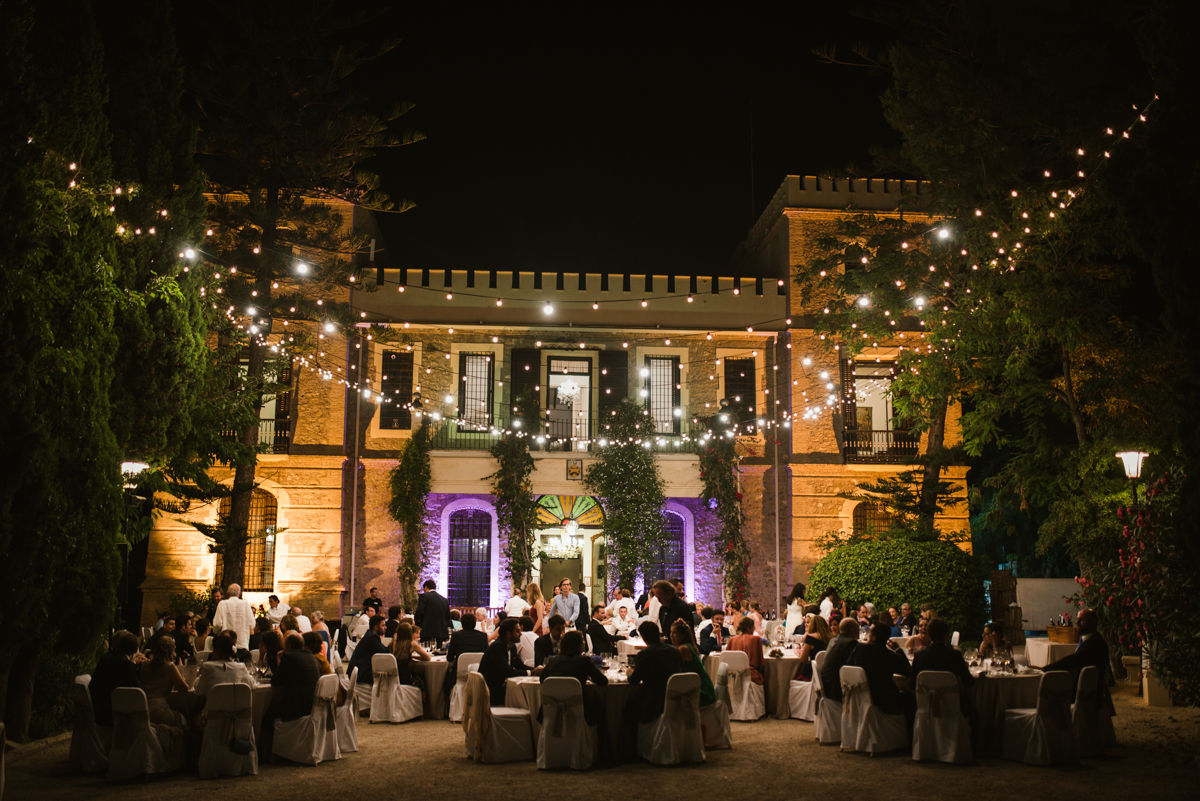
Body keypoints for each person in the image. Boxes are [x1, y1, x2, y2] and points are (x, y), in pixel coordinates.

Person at [1044, 608, 1113, 711]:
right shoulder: (1089, 640)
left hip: (1086, 694)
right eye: (1077, 619)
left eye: (1081, 620)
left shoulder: (1095, 643)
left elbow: (1073, 660)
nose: (1077, 622)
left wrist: (1046, 668)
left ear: (1093, 622)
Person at [848, 622, 913, 724]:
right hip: (885, 700)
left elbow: (849, 666)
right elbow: (908, 672)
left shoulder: (859, 649)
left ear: (874, 637)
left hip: (859, 697)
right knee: (910, 699)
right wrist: (898, 650)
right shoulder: (891, 656)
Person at [540, 630, 608, 726]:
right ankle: (600, 740)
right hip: (580, 707)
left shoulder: (552, 661)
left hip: (552, 707)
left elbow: (543, 680)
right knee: (602, 708)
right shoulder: (584, 661)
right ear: (580, 645)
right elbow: (602, 681)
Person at [911, 619, 974, 718]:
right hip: (952, 708)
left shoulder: (919, 655)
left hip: (925, 708)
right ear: (946, 635)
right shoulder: (955, 655)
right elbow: (969, 682)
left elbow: (912, 683)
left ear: (930, 634)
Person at [625, 621, 684, 724]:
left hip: (653, 702)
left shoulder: (644, 654)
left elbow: (634, 681)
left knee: (626, 708)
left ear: (643, 637)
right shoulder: (675, 651)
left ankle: (638, 739)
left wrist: (629, 674)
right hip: (676, 700)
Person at [480, 618, 541, 705]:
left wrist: (536, 670)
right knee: (525, 700)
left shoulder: (511, 647)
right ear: (508, 634)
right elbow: (507, 671)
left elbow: (519, 665)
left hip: (503, 686)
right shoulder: (497, 647)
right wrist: (531, 672)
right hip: (492, 690)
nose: (521, 634)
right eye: (517, 631)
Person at [90, 631, 144, 727]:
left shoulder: (107, 657)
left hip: (98, 707)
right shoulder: (125, 664)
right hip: (111, 713)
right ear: (136, 650)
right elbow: (135, 688)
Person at [268, 631, 321, 725]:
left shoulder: (289, 657)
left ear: (289, 646)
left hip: (297, 708)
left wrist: (279, 658)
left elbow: (275, 681)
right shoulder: (311, 656)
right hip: (312, 706)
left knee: (267, 713)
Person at [139, 635, 190, 725]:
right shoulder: (169, 666)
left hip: (142, 709)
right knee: (184, 719)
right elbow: (184, 689)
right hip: (158, 710)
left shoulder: (144, 665)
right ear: (172, 651)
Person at [194, 633, 255, 699]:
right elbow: (253, 685)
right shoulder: (240, 667)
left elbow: (198, 690)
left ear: (214, 651)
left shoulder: (208, 667)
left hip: (214, 708)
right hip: (237, 708)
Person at [670, 620, 716, 707]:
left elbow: (674, 669)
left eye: (675, 633)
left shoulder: (683, 649)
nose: (671, 636)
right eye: (671, 633)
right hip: (702, 687)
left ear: (683, 635)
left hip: (701, 691)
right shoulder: (689, 645)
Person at [819, 618, 861, 704]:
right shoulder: (851, 643)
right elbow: (856, 665)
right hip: (835, 688)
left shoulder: (834, 640)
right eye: (858, 629)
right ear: (853, 631)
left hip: (826, 683)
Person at [347, 614, 390, 694]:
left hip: (360, 670)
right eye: (383, 625)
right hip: (361, 673)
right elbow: (384, 653)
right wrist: (393, 643)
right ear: (376, 627)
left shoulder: (371, 635)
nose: (385, 628)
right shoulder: (372, 638)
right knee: (386, 678)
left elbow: (383, 650)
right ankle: (381, 702)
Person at [213, 583, 254, 655]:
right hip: (242, 644)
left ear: (227, 593)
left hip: (225, 645)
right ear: (240, 593)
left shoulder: (222, 604)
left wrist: (216, 632)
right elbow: (252, 625)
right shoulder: (246, 604)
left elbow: (217, 624)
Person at [390, 621, 430, 693]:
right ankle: (424, 703)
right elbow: (427, 658)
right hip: (405, 678)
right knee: (424, 681)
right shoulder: (410, 645)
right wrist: (415, 657)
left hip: (392, 679)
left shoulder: (392, 644)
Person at [794, 614, 832, 680]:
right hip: (829, 674)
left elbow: (803, 659)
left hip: (814, 674)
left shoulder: (810, 638)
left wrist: (800, 654)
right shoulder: (831, 637)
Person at [414, 579, 451, 646]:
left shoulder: (424, 596)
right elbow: (448, 617)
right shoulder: (444, 600)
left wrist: (417, 625)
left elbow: (419, 611)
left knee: (426, 650)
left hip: (427, 630)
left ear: (425, 587)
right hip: (441, 631)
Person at [729, 616, 765, 684]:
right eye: (753, 626)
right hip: (751, 676)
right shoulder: (755, 639)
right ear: (748, 628)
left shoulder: (732, 639)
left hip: (733, 677)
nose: (754, 628)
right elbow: (759, 663)